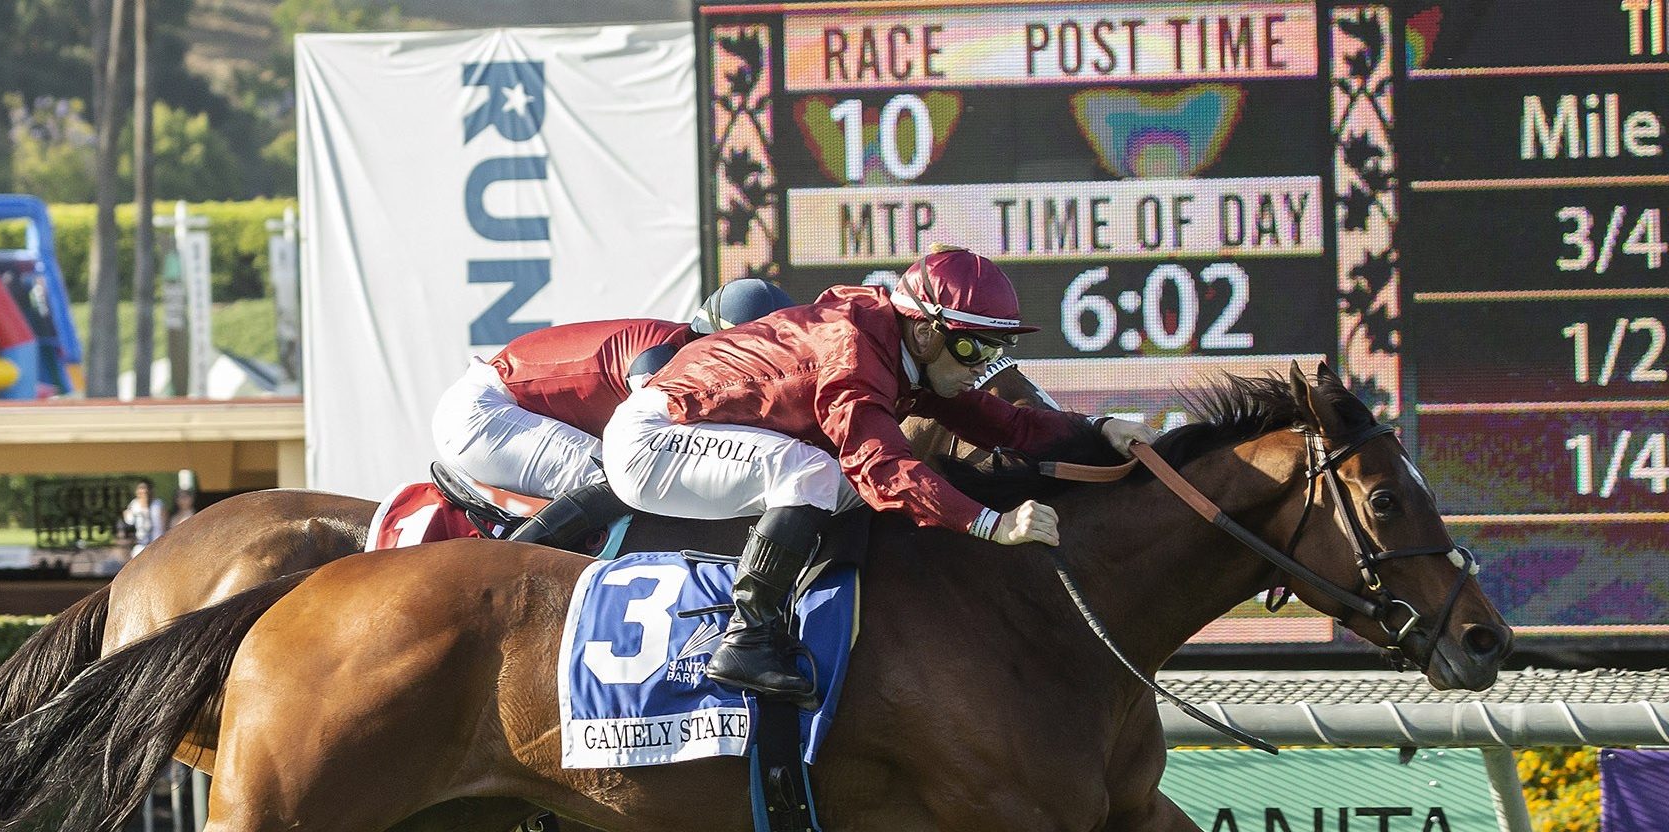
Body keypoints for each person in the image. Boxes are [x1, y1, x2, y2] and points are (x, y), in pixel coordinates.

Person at [600, 247, 1158, 703]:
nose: (979, 368)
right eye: (970, 348)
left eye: (994, 350)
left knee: (833, 481)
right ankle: (748, 636)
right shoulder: (854, 350)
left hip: (693, 431)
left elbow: (1001, 421)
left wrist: (1099, 427)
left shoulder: (899, 345)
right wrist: (991, 524)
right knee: (821, 473)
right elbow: (880, 463)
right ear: (924, 331)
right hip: (653, 440)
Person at [432, 279, 798, 548]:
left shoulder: (678, 347)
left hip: (492, 407)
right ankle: (505, 567)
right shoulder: (659, 357)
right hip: (482, 414)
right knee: (627, 475)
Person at [120, 480, 167, 556]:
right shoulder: (134, 504)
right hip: (140, 544)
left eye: (146, 490)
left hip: (157, 542)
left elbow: (164, 525)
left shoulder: (158, 504)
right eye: (141, 489)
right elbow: (129, 522)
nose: (144, 492)